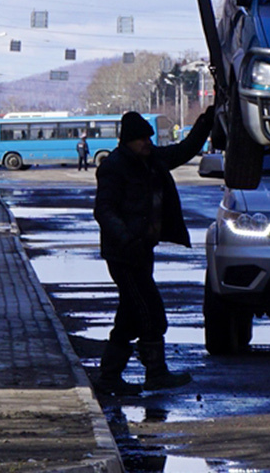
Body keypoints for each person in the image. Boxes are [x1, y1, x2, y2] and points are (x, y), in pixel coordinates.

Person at [92, 108, 214, 395]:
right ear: (127, 141)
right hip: (124, 255)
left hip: (143, 250)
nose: (147, 143)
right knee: (150, 313)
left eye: (148, 138)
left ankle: (109, 377)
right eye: (141, 139)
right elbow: (104, 210)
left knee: (129, 315)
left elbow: (185, 150)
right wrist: (126, 239)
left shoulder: (152, 161)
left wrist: (206, 122)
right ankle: (156, 373)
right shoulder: (114, 167)